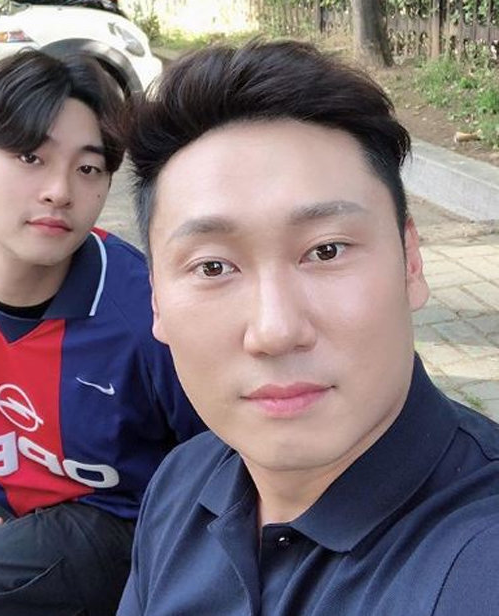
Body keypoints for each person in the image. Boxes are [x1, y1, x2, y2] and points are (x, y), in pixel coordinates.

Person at [117, 39, 499, 615]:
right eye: (213, 267)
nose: (275, 330)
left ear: (411, 262)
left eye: (326, 251)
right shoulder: (179, 484)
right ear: (156, 300)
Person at [0, 49, 204, 615]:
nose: (59, 191)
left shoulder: (148, 311)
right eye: (30, 157)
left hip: (116, 519)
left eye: (88, 168)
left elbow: (220, 459)